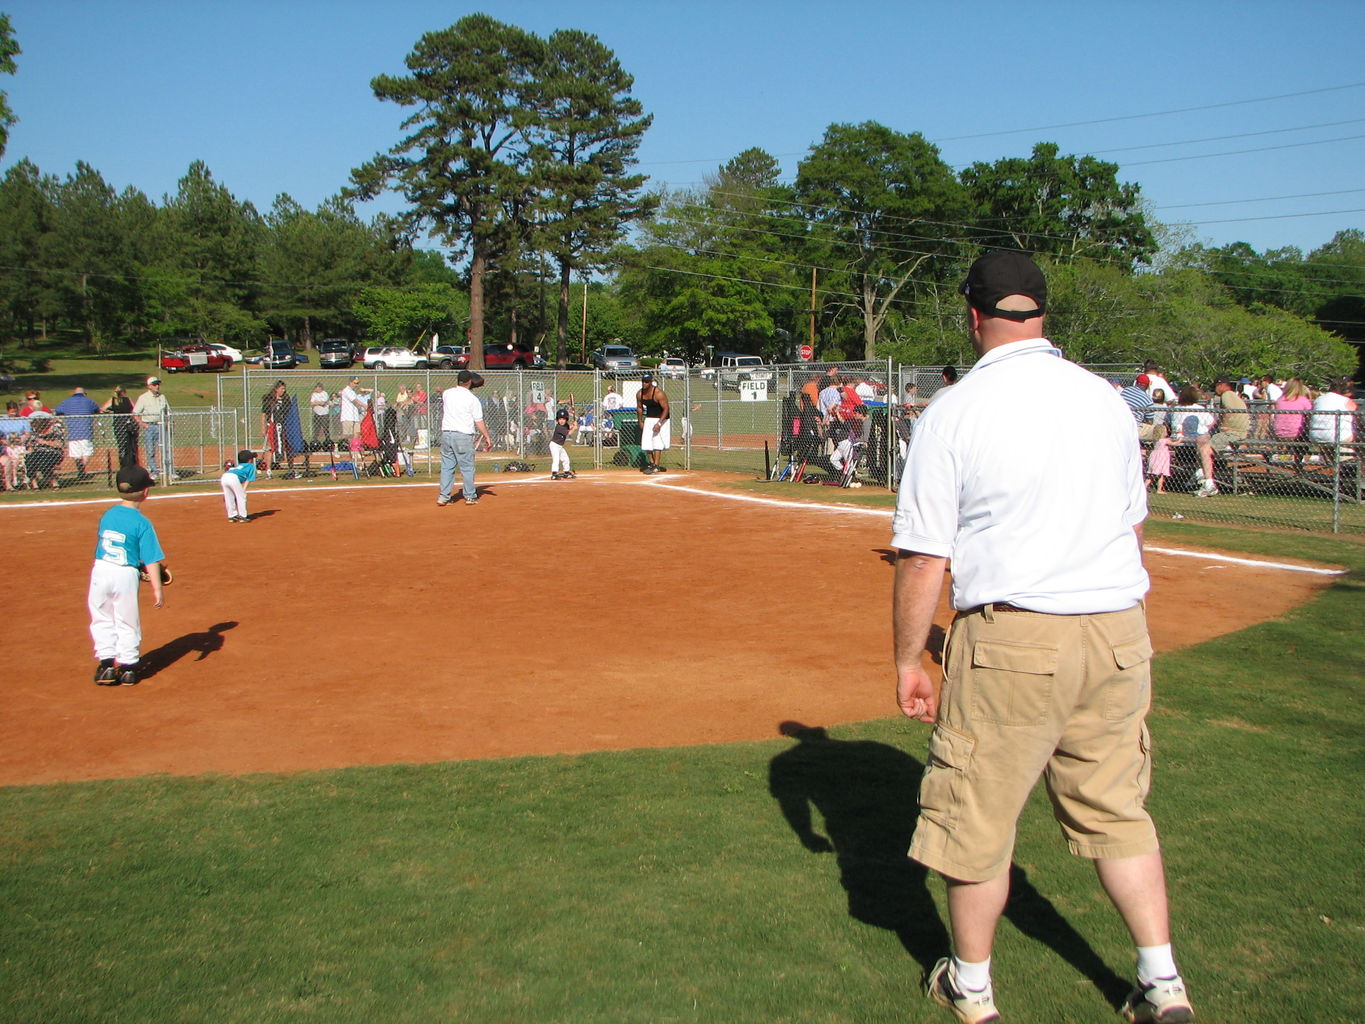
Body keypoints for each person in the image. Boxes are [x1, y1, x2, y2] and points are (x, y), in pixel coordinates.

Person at [892, 251, 1192, 1024]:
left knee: (976, 820)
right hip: (1118, 630)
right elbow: (1129, 520)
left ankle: (970, 985)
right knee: (1116, 810)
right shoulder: (1103, 400)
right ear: (1042, 312)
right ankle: (1160, 984)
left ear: (973, 314)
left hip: (1016, 637)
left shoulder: (953, 410)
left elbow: (926, 553)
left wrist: (906, 657)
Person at [88, 464, 166, 686]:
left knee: (102, 617)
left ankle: (106, 666)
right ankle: (129, 667)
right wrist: (157, 589)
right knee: (127, 620)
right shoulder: (143, 523)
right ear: (145, 492)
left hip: (101, 570)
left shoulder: (108, 515)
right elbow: (150, 559)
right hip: (125, 574)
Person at [437, 370, 491, 506]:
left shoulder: (447, 393)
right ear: (469, 382)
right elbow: (478, 420)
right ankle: (470, 496)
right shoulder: (472, 399)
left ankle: (444, 496)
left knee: (447, 466)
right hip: (463, 435)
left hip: (447, 433)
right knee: (467, 467)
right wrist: (486, 436)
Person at [1193, 376, 1249, 497]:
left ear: (1222, 385)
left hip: (1233, 433)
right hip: (1235, 433)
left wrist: (1223, 427)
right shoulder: (1232, 396)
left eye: (1216, 386)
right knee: (1202, 441)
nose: (1215, 390)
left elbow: (1229, 410)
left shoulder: (1227, 394)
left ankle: (1209, 484)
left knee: (1204, 449)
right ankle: (1200, 476)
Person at [54, 386, 102, 477]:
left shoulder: (67, 402)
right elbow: (97, 409)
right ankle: (82, 469)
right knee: (86, 452)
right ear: (84, 394)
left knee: (76, 454)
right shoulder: (88, 401)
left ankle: (81, 469)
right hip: (86, 431)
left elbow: (57, 410)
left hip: (73, 432)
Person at [133, 376, 172, 480]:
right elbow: (135, 413)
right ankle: (154, 472)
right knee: (150, 450)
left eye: (158, 384)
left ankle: (168, 471)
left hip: (162, 425)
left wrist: (168, 422)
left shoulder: (162, 397)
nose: (157, 386)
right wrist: (144, 425)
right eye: (154, 384)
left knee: (166, 449)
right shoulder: (143, 398)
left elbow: (168, 411)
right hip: (150, 426)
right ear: (149, 386)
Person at [636, 373, 671, 474]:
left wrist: (659, 424)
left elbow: (666, 409)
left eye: (646, 381)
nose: (644, 383)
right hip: (649, 418)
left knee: (657, 441)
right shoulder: (640, 394)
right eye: (643, 381)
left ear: (651, 382)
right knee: (646, 442)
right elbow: (639, 408)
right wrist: (640, 421)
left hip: (661, 418)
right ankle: (651, 463)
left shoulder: (658, 393)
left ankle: (656, 465)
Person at [24, 411, 65, 489]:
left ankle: (53, 482)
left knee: (44, 459)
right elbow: (30, 446)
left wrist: (44, 442)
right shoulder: (34, 432)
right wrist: (29, 449)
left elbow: (59, 445)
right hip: (37, 452)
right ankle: (34, 484)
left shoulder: (55, 429)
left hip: (53, 452)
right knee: (29, 458)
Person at [101, 385, 138, 469]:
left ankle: (123, 464)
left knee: (121, 445)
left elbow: (102, 409)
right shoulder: (127, 400)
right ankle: (130, 463)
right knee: (130, 444)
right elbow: (134, 410)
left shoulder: (113, 400)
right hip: (127, 423)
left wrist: (110, 411)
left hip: (118, 424)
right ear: (123, 392)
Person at [219, 449, 257, 523]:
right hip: (233, 478)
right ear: (249, 460)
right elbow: (248, 479)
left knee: (229, 497)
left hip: (224, 477)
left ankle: (232, 516)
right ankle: (243, 516)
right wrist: (243, 490)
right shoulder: (251, 466)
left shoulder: (239, 466)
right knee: (241, 497)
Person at [339, 376, 370, 442]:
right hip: (347, 416)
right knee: (347, 435)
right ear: (350, 382)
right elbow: (355, 401)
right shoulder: (346, 390)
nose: (356, 385)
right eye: (355, 383)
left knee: (357, 433)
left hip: (355, 416)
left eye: (357, 383)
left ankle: (354, 448)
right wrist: (365, 406)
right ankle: (342, 446)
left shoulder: (353, 392)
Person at [549, 408, 576, 480]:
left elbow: (569, 427)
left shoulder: (565, 425)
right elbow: (569, 433)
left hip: (560, 446)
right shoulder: (559, 427)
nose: (561, 421)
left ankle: (566, 472)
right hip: (554, 445)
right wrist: (574, 428)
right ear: (557, 420)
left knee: (565, 459)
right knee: (556, 459)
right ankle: (554, 474)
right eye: (560, 419)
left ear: (566, 419)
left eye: (563, 419)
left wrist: (574, 425)